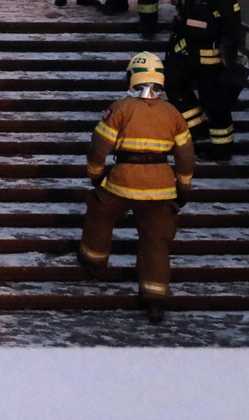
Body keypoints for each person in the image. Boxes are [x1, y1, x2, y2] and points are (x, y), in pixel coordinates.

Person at [79, 52, 195, 323]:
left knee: (99, 211)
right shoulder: (173, 113)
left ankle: (93, 262)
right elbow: (186, 155)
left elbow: (99, 147)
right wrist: (184, 186)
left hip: (122, 181)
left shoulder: (120, 108)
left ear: (132, 77)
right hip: (162, 187)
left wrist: (96, 175)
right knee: (156, 242)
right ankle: (155, 299)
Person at [164, 0, 245, 158]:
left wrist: (229, 59)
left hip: (212, 59)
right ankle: (198, 131)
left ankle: (222, 148)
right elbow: (184, 21)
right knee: (172, 83)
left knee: (215, 105)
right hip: (189, 54)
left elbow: (232, 26)